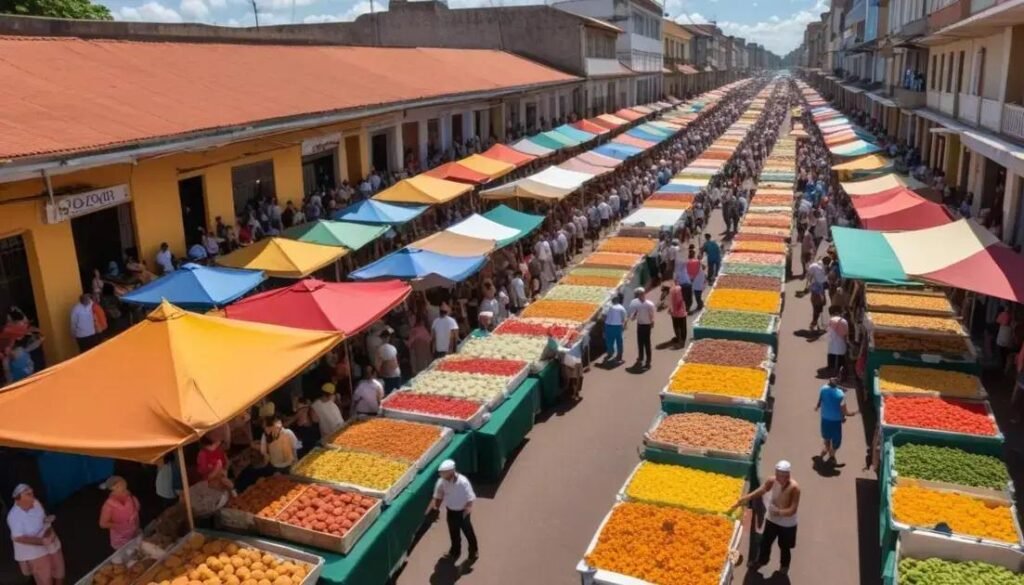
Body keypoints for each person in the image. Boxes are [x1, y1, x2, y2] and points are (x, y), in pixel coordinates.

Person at [729, 461, 800, 575]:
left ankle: (784, 567)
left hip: (787, 524)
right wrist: (746, 498)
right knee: (765, 542)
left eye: (783, 475)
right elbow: (761, 490)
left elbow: (793, 509)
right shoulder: (772, 481)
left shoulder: (794, 488)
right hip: (772, 519)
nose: (780, 478)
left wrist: (779, 512)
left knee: (784, 547)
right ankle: (762, 561)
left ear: (788, 475)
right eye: (778, 474)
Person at [8, 484, 65, 585]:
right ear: (18, 500)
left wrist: (48, 525)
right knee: (45, 577)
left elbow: (43, 518)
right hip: (33, 551)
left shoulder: (35, 502)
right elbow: (18, 538)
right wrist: (42, 541)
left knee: (59, 569)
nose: (33, 497)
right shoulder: (14, 517)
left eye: (32, 493)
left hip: (48, 539)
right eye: (28, 494)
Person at [427, 459, 478, 563]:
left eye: (443, 473)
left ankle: (473, 550)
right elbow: (438, 495)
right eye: (441, 473)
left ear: (451, 471)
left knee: (468, 532)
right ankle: (455, 551)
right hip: (451, 511)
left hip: (463, 511)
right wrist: (435, 508)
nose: (441, 475)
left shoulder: (463, 482)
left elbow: (470, 498)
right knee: (453, 532)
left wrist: (467, 510)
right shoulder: (441, 482)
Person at [816, 378, 856, 463]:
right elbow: (844, 411)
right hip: (835, 422)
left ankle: (825, 451)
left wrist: (817, 406)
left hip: (825, 419)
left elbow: (820, 400)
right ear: (837, 385)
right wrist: (852, 414)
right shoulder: (840, 395)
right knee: (836, 441)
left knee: (826, 438)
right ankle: (832, 455)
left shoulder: (823, 389)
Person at [98, 476, 140, 551]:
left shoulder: (132, 498)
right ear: (112, 489)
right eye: (117, 486)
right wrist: (120, 526)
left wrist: (137, 529)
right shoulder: (108, 505)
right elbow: (102, 524)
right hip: (120, 539)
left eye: (123, 485)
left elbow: (136, 513)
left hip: (134, 534)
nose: (122, 488)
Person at [628, 287, 656, 370]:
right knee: (640, 342)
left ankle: (648, 360)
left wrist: (652, 322)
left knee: (647, 343)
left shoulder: (649, 304)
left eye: (638, 294)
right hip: (639, 324)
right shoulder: (637, 303)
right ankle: (641, 357)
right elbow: (636, 312)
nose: (637, 296)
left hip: (646, 325)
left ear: (642, 294)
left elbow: (652, 315)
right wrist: (633, 317)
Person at [375, 328, 401, 395]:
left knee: (389, 395)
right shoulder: (393, 348)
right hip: (396, 373)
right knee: (396, 394)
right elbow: (396, 361)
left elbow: (378, 365)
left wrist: (379, 373)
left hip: (387, 375)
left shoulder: (379, 349)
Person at [825, 307, 849, 378]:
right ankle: (840, 367)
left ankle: (830, 366)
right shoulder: (844, 321)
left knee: (831, 352)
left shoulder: (831, 319)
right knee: (841, 354)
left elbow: (828, 328)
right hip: (840, 339)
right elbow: (845, 332)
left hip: (832, 339)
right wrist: (846, 340)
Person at [603, 295, 627, 363]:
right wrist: (624, 326)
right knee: (619, 342)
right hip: (617, 327)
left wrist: (606, 322)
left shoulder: (609, 307)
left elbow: (604, 316)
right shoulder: (621, 308)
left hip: (608, 326)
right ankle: (619, 356)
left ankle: (610, 353)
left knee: (609, 341)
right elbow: (624, 318)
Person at [668, 281, 688, 346]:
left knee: (677, 327)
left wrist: (671, 309)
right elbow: (681, 300)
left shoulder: (673, 290)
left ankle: (681, 341)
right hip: (681, 311)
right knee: (682, 326)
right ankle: (681, 339)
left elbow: (673, 301)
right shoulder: (680, 288)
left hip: (676, 312)